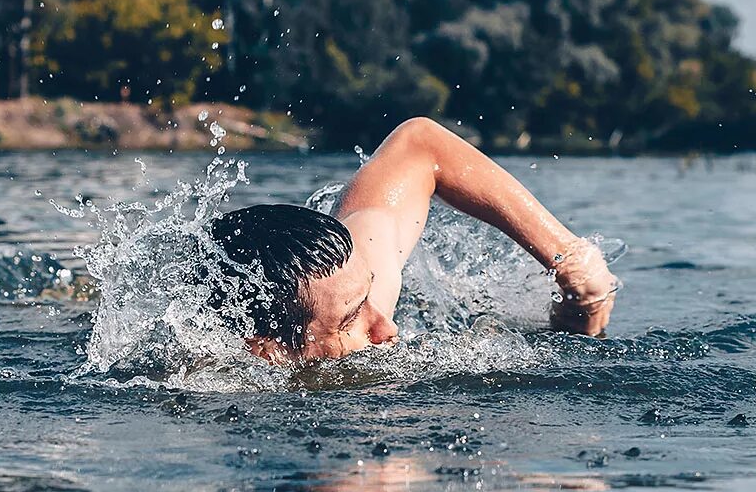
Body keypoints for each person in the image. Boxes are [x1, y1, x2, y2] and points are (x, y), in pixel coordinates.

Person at [209, 117, 619, 363]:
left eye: (369, 293)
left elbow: (420, 143)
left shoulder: (350, 275)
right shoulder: (207, 383)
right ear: (266, 351)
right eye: (351, 320)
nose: (387, 327)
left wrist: (572, 263)